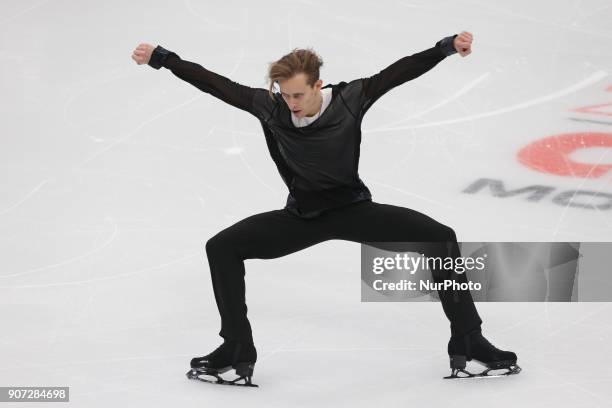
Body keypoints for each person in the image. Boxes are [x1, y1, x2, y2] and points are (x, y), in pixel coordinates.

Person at [131, 31, 520, 385]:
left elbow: (402, 71)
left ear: (318, 85)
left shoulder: (351, 98)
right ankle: (235, 348)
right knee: (222, 247)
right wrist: (163, 57)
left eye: (298, 95)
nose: (291, 103)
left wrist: (446, 47)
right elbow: (215, 83)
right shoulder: (271, 108)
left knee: (440, 238)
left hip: (354, 210)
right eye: (284, 94)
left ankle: (469, 341)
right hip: (302, 218)